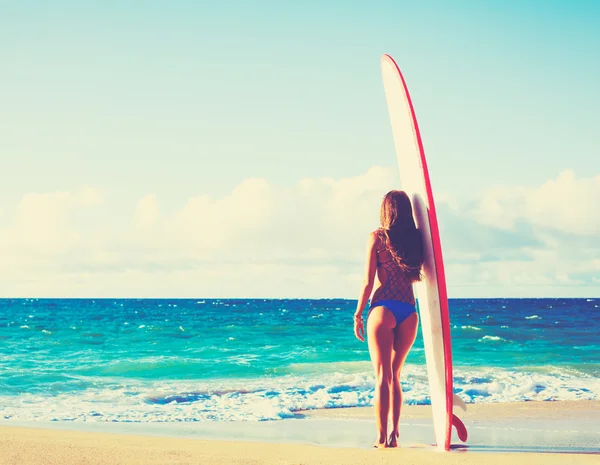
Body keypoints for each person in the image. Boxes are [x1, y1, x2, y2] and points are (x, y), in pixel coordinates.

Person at [353, 190, 424, 448]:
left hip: (383, 309)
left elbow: (367, 282)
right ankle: (395, 435)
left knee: (382, 376)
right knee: (395, 374)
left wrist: (358, 313)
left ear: (385, 210)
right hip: (409, 311)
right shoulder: (416, 240)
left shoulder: (377, 238)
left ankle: (381, 438)